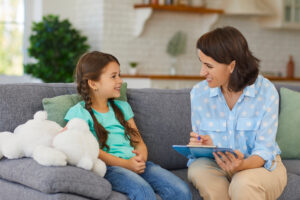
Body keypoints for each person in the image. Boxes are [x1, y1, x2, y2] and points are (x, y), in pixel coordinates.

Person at [64, 51, 192, 200]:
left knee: (181, 190)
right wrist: (126, 164)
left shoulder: (122, 107)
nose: (120, 81)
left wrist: (141, 159)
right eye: (113, 76)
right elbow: (92, 151)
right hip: (110, 168)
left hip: (135, 164)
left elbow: (139, 142)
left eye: (119, 75)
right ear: (93, 83)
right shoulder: (78, 113)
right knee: (143, 192)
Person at [187, 26, 287, 200]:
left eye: (208, 66)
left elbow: (264, 150)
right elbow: (202, 147)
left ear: (232, 66)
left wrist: (241, 166)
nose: (202, 72)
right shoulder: (199, 94)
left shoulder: (265, 92)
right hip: (216, 164)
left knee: (243, 184)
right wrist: (202, 145)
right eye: (201, 63)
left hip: (259, 166)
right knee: (198, 169)